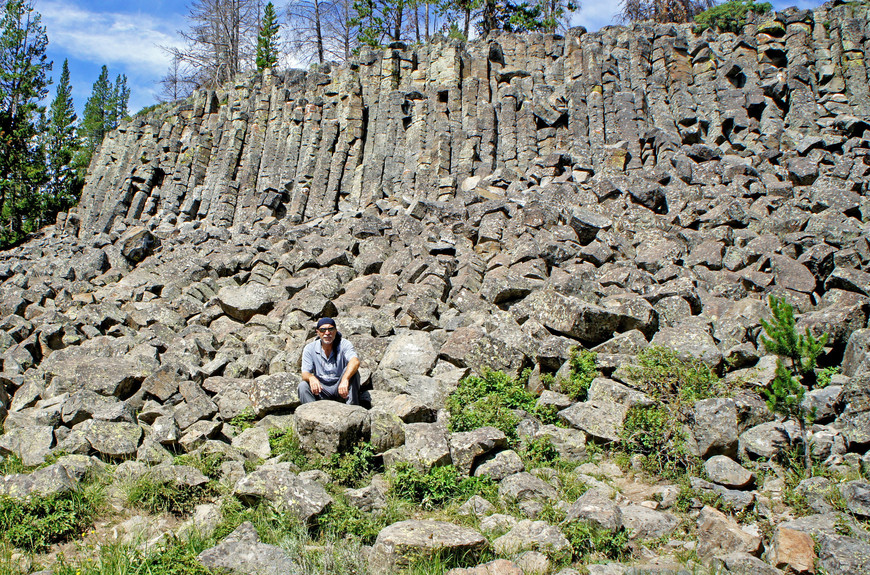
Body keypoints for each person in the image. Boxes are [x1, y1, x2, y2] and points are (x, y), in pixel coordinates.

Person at [299, 317, 361, 405]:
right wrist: (311, 378)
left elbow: (355, 361)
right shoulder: (310, 348)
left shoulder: (344, 344)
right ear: (317, 332)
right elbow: (305, 373)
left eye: (330, 329)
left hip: (341, 387)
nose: (327, 333)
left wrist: (345, 379)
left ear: (336, 330)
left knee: (353, 372)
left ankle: (352, 409)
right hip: (321, 389)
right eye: (323, 330)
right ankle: (312, 415)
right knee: (303, 386)